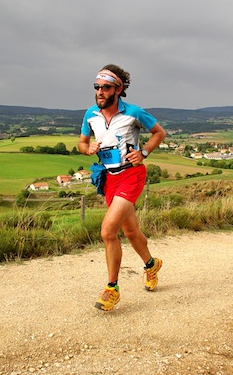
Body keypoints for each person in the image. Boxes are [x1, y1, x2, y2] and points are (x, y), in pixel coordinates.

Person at [78, 64, 167, 311]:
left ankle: (112, 289)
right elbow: (82, 144)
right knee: (130, 232)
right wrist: (89, 149)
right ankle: (151, 265)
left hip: (131, 176)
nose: (100, 92)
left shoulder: (134, 113)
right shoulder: (90, 115)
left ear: (118, 89)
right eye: (97, 87)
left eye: (105, 87)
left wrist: (145, 152)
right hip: (109, 178)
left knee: (108, 232)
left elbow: (159, 132)